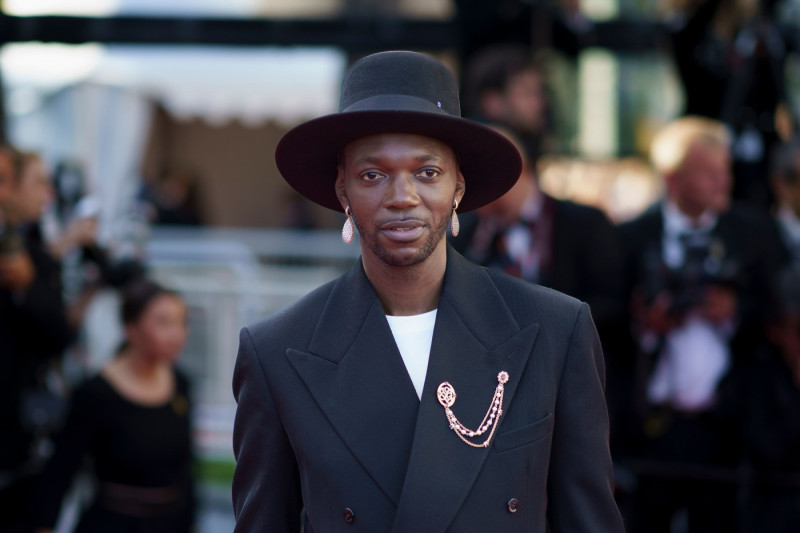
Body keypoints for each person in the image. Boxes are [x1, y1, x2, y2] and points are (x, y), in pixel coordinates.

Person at [232, 50, 624, 532]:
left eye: (427, 172)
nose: (402, 196)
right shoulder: (276, 352)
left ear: (458, 186)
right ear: (342, 191)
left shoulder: (554, 331)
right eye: (372, 175)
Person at [618, 116, 783, 532]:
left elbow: (779, 313)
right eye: (709, 174)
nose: (723, 182)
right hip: (653, 425)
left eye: (725, 170)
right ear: (673, 179)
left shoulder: (755, 234)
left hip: (731, 424)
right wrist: (645, 322)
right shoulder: (630, 238)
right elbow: (603, 320)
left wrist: (734, 310)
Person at [31, 279, 195, 533]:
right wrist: (43, 526)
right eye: (164, 322)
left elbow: (187, 468)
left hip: (171, 523)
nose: (178, 333)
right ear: (131, 328)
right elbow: (61, 468)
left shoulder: (181, 383)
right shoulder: (96, 392)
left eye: (182, 322)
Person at [0, 146, 74, 533]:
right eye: (39, 183)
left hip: (21, 441)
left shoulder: (31, 258)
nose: (47, 195)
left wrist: (30, 287)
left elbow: (60, 335)